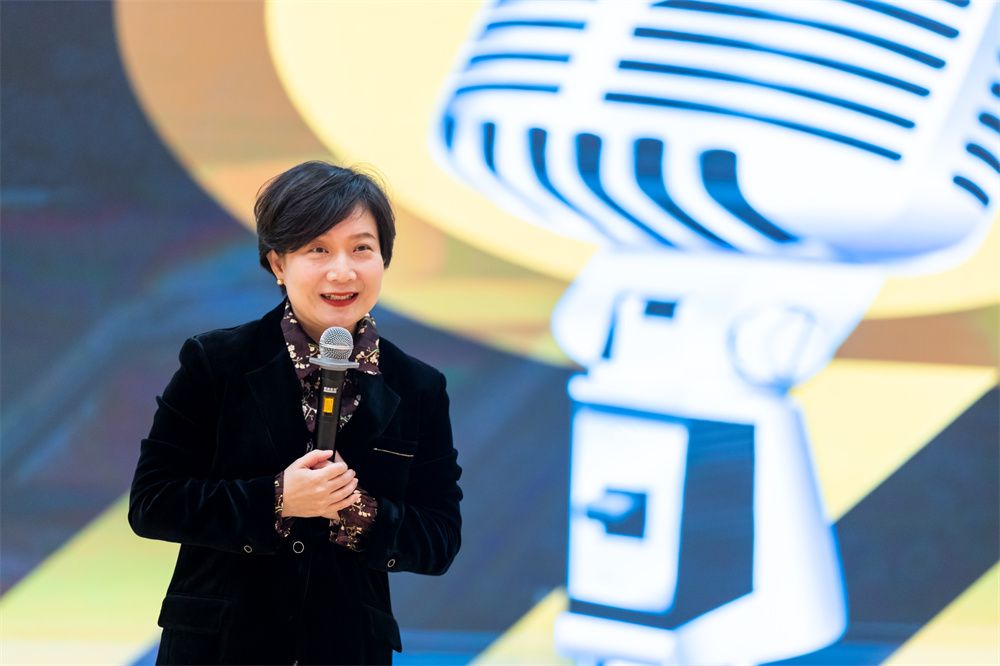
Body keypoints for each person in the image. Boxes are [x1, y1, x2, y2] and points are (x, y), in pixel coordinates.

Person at [128, 161, 463, 665]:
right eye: (317, 249)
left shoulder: (418, 386)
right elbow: (154, 503)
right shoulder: (217, 362)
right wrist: (278, 499)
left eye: (361, 248)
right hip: (220, 648)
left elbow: (439, 538)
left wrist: (357, 511)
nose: (342, 271)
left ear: (384, 259)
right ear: (278, 264)